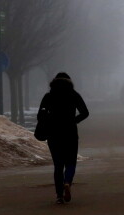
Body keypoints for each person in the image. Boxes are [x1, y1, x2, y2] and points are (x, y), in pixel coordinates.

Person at [37, 72, 89, 204]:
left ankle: (59, 196)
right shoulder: (73, 95)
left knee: (58, 165)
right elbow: (85, 112)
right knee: (71, 162)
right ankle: (67, 182)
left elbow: (40, 116)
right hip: (70, 132)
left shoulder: (49, 96)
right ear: (69, 82)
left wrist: (49, 120)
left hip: (54, 134)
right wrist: (74, 120)